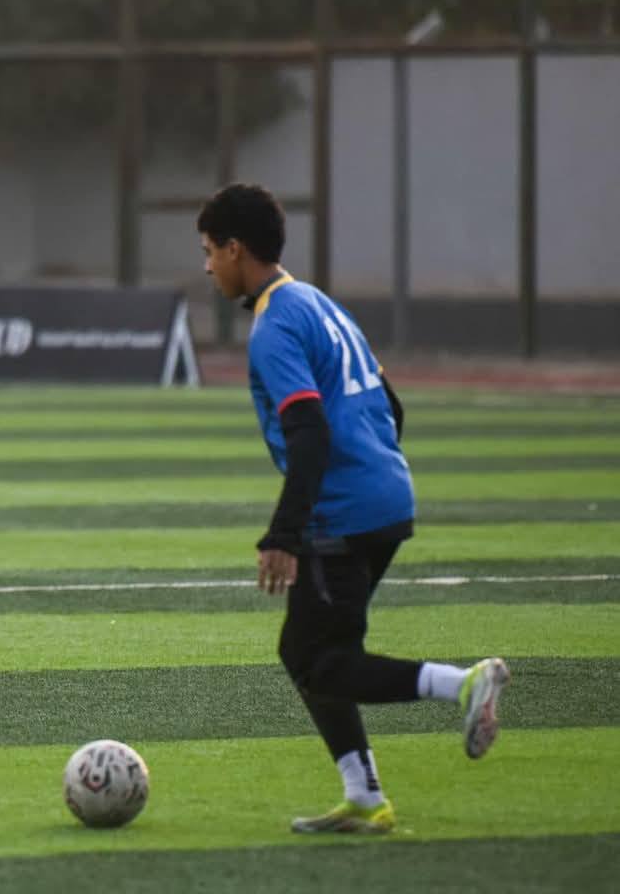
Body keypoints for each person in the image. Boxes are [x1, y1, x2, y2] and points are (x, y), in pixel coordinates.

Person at [198, 182, 509, 834]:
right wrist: (374, 471)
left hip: (344, 512)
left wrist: (284, 533)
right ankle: (363, 796)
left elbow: (307, 429)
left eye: (209, 252)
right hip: (384, 494)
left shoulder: (276, 324)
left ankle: (466, 683)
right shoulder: (318, 302)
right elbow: (392, 408)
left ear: (235, 249)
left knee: (324, 660)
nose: (207, 267)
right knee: (307, 649)